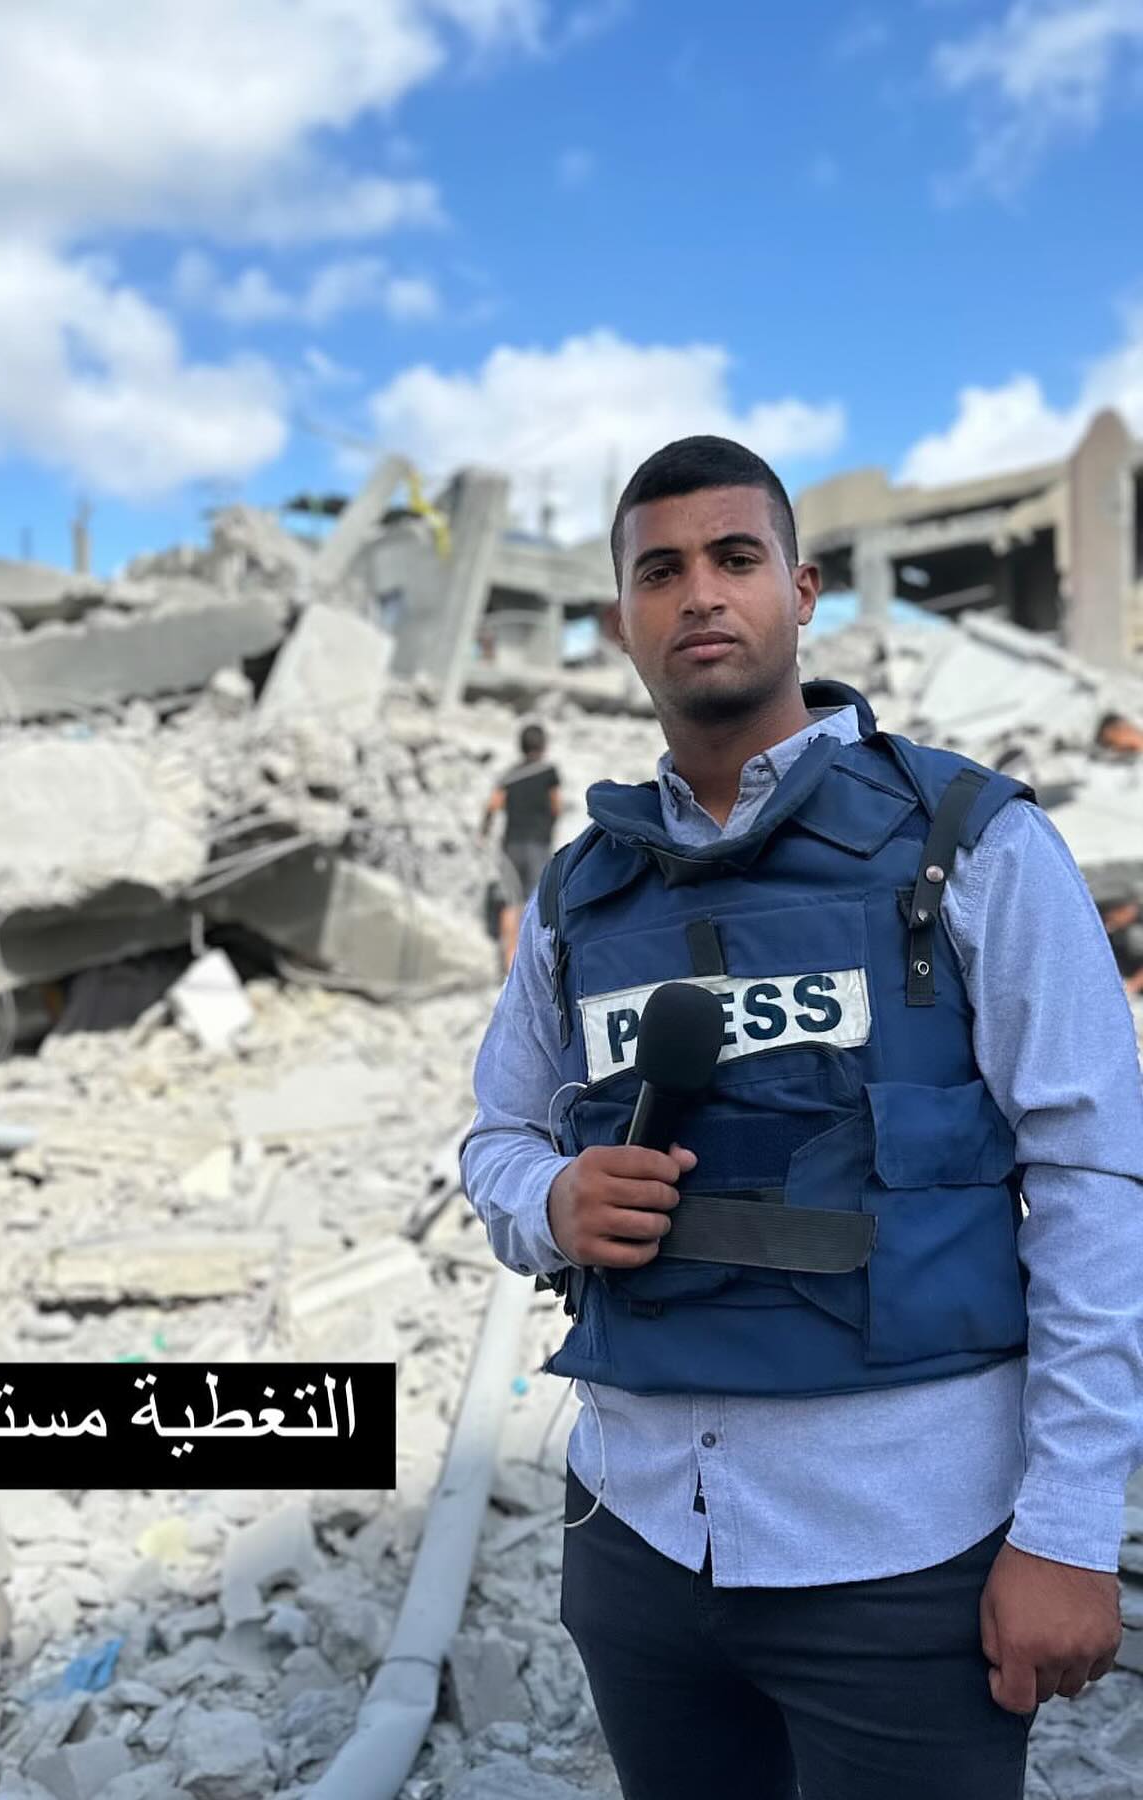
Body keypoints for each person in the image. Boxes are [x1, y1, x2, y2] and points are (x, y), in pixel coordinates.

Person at [460, 434, 1143, 1800]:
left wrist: (1068, 1529)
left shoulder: (974, 844)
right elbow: (496, 1140)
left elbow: (1093, 1179)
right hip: (639, 1543)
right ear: (619, 622)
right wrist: (552, 1202)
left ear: (802, 588)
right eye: (660, 571)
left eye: (735, 557)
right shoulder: (581, 890)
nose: (700, 594)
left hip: (903, 1555)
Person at [478, 722, 562, 972]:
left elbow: (492, 805)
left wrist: (483, 832)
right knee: (535, 902)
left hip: (511, 845)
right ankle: (532, 965)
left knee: (509, 900)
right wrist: (548, 825)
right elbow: (556, 805)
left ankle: (508, 961)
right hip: (538, 844)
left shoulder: (510, 775)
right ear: (543, 746)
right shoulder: (548, 773)